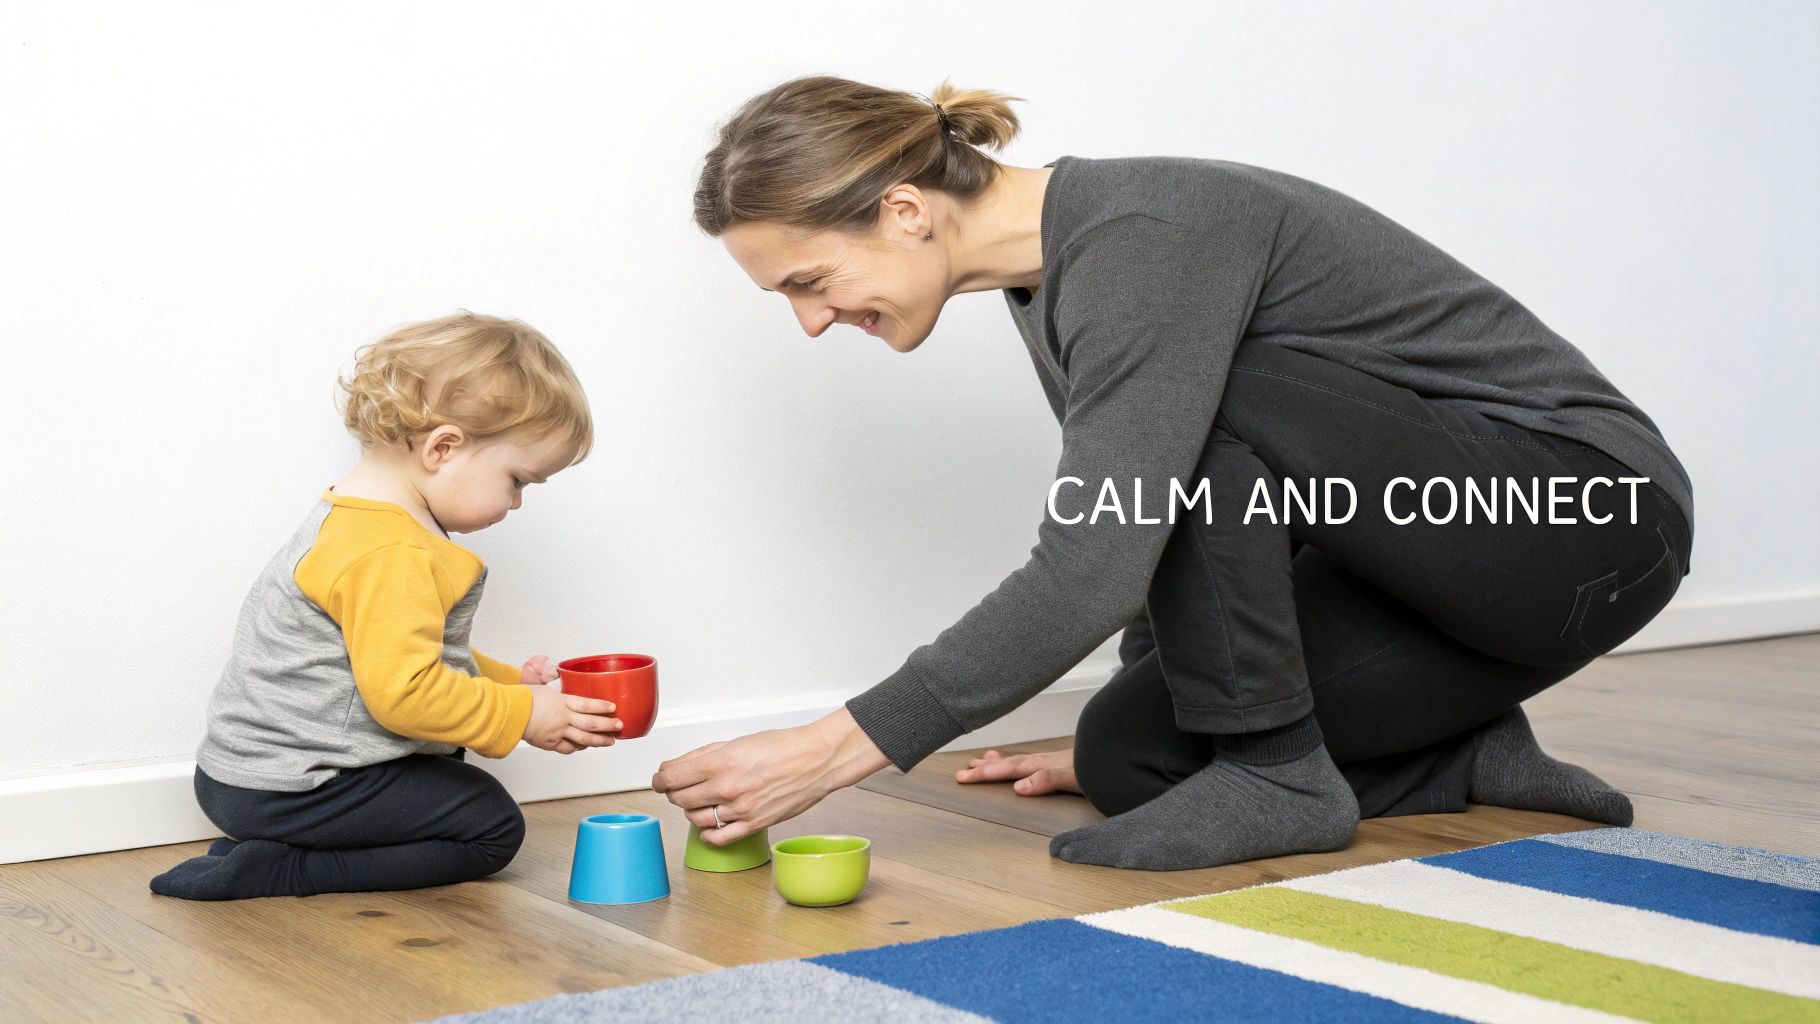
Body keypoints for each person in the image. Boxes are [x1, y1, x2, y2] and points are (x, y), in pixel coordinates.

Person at [654, 76, 1693, 871]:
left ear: (904, 210)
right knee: (1126, 754)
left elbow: (1099, 554)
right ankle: (1461, 758)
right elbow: (1164, 516)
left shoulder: (1142, 242)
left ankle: (1280, 776)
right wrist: (1147, 703)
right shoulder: (1050, 277)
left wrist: (834, 749)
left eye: (809, 279)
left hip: (1587, 518)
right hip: (1436, 559)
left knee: (1219, 396)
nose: (809, 319)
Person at [150, 312, 622, 899]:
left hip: (251, 777)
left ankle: (277, 847)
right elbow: (405, 693)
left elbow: (406, 650)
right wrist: (521, 714)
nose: (518, 503)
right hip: (299, 784)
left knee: (448, 782)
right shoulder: (392, 549)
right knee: (490, 826)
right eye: (519, 481)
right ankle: (286, 869)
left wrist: (510, 684)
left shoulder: (357, 520)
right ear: (443, 448)